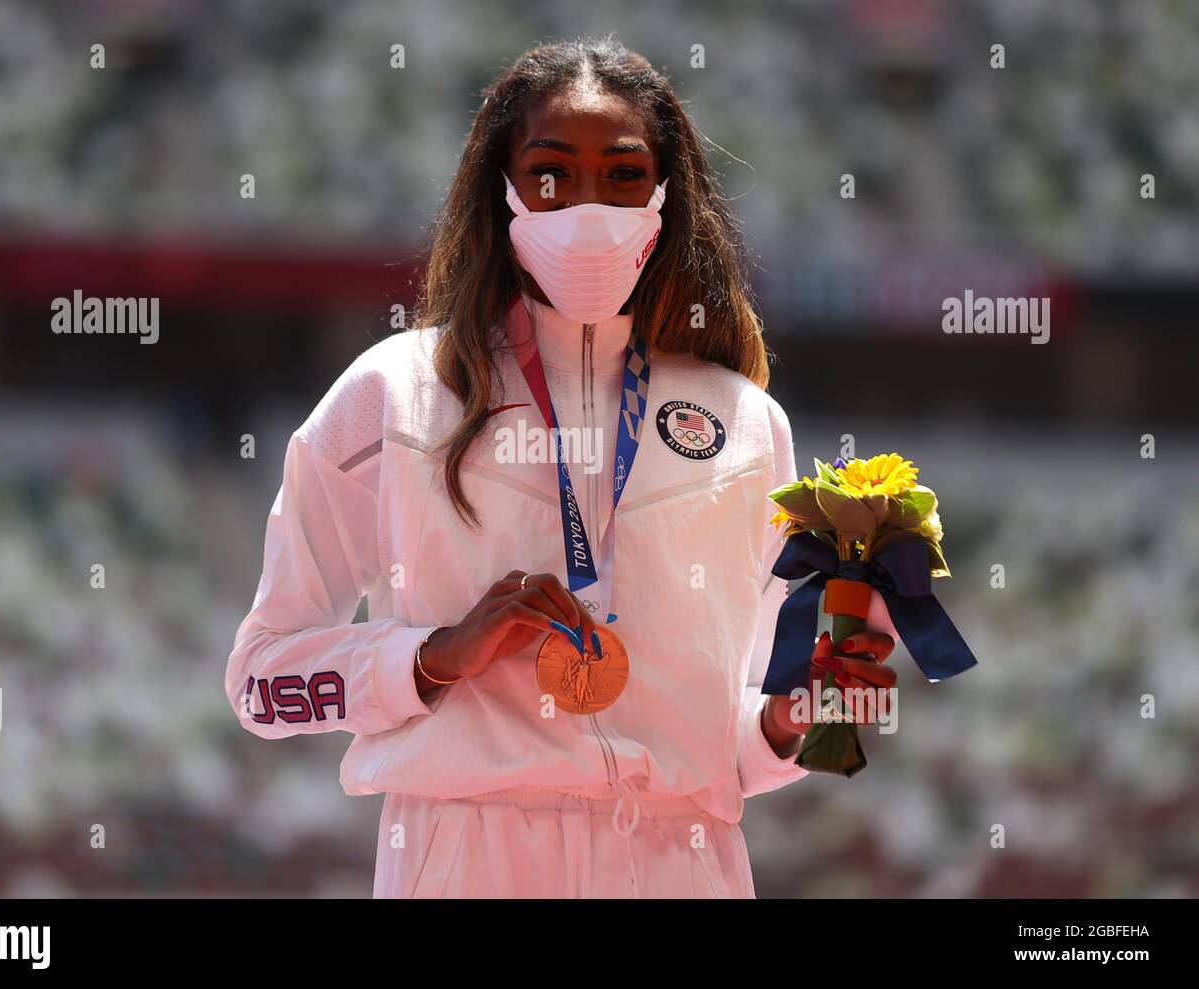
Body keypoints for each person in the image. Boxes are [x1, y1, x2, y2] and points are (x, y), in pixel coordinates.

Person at [225, 35, 896, 898]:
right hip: (464, 859)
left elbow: (729, 746)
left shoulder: (745, 423)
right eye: (551, 173)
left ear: (665, 195)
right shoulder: (394, 395)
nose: (587, 206)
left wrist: (793, 717)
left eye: (621, 177)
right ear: (503, 190)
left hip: (682, 863)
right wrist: (429, 658)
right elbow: (259, 680)